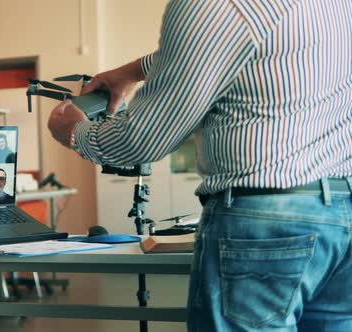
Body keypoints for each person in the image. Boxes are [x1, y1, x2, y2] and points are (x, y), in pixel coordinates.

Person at [48, 1, 352, 331]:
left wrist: (74, 132)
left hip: (263, 220)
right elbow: (244, 42)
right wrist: (132, 71)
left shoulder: (214, 5)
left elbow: (141, 141)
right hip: (340, 211)